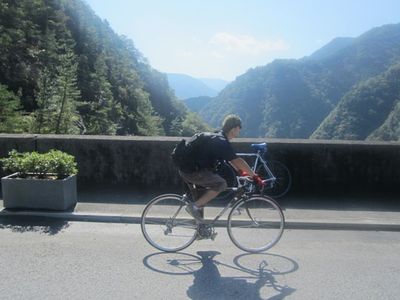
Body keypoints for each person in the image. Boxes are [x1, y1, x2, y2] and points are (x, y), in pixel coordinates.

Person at [179, 114, 264, 221]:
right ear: (233, 129)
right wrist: (255, 176)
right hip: (192, 171)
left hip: (190, 168)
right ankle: (193, 207)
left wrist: (242, 173)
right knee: (221, 184)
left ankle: (200, 228)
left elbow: (231, 159)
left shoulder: (218, 136)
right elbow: (237, 161)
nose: (239, 132)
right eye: (239, 129)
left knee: (203, 195)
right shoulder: (222, 142)